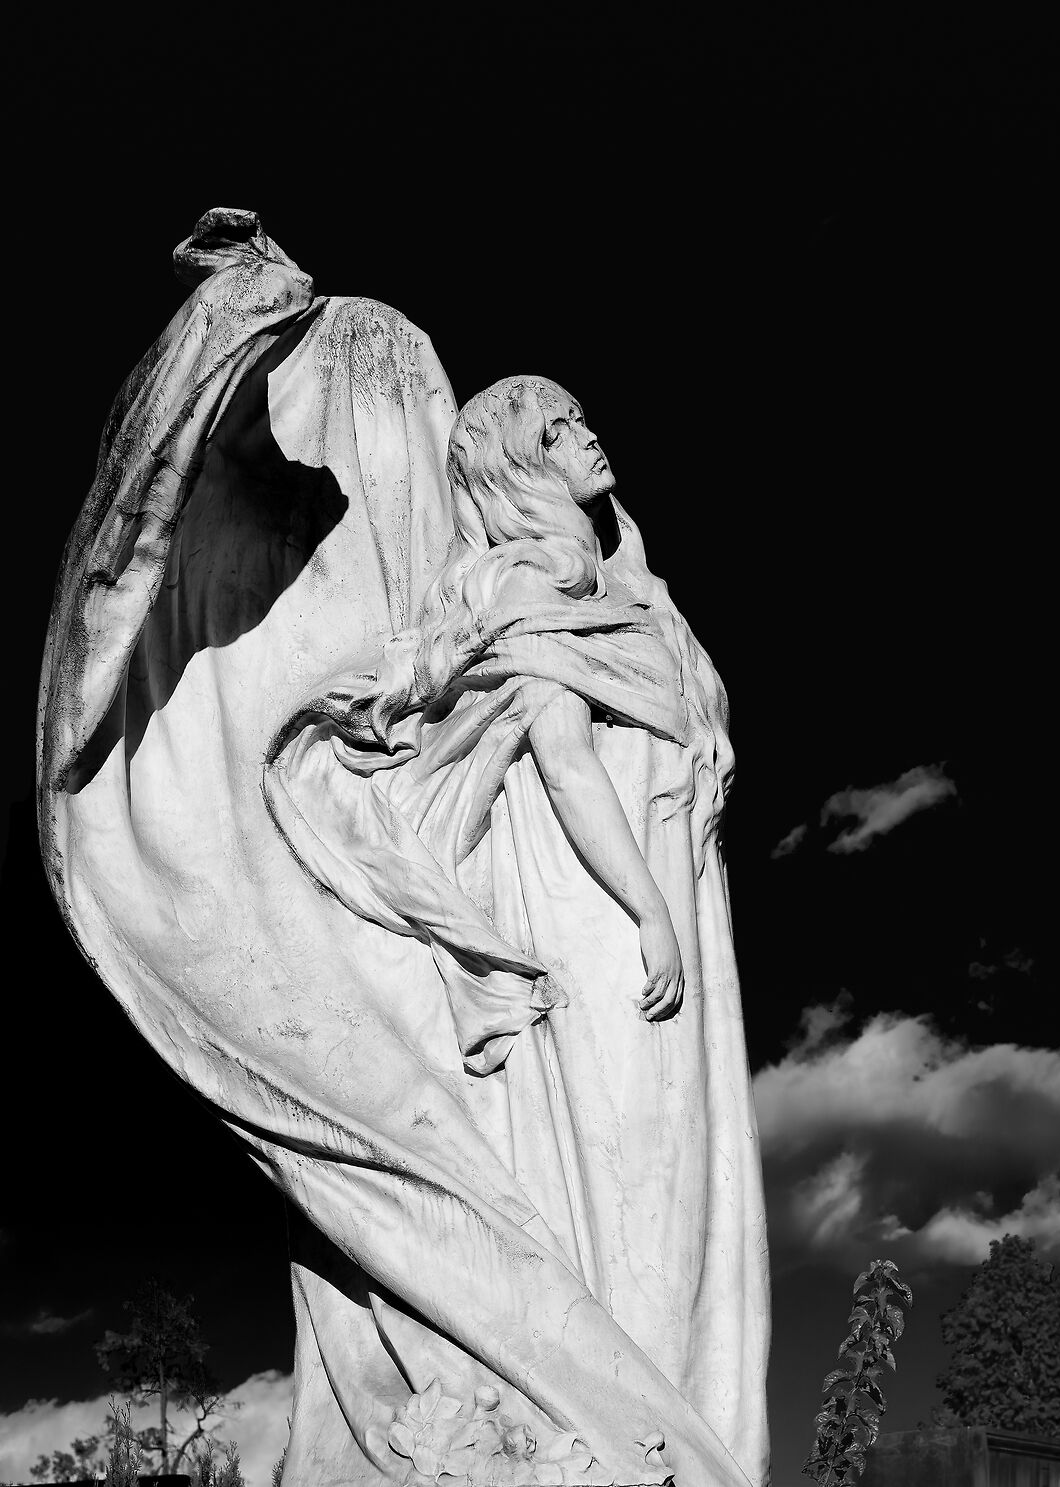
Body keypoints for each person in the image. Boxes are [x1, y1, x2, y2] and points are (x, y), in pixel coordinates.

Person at [266, 375, 766, 1480]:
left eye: (579, 419)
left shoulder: (627, 593)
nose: (588, 435)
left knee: (684, 1184)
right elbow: (565, 754)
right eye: (559, 428)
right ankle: (637, 1439)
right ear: (517, 466)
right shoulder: (528, 579)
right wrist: (648, 911)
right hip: (604, 910)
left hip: (659, 895)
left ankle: (674, 1437)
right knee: (643, 1182)